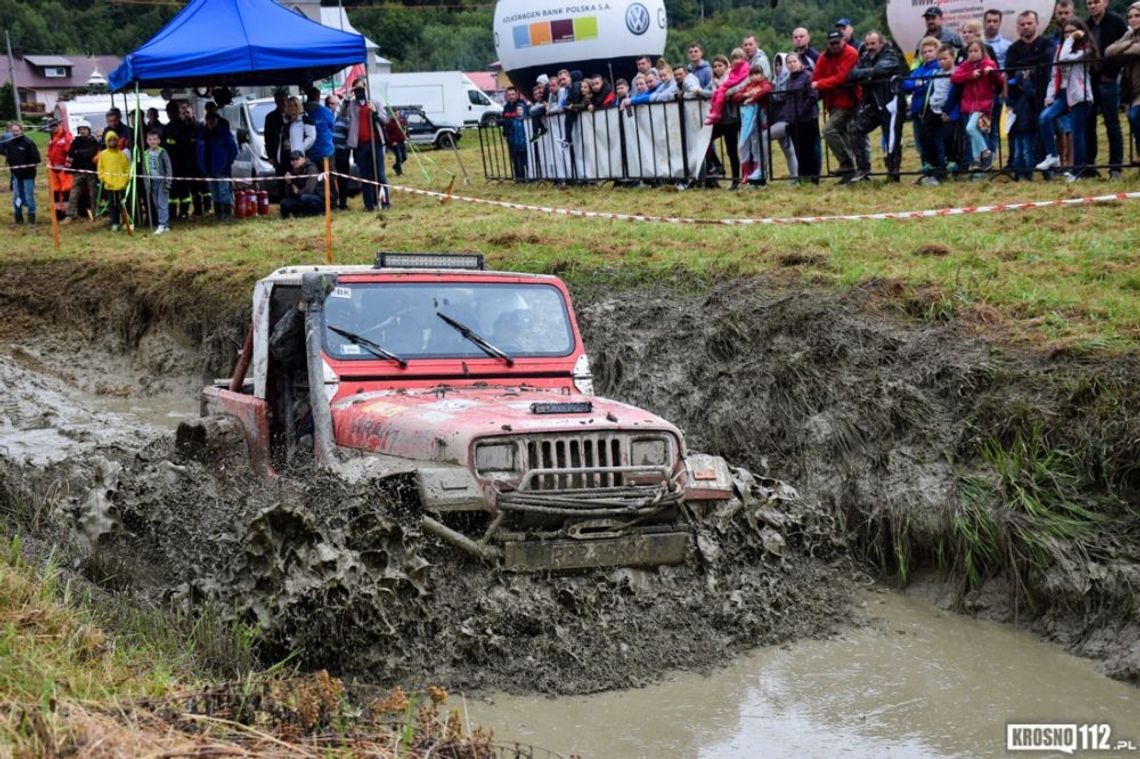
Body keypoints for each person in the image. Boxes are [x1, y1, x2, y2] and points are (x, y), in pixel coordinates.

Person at [1039, 19, 1098, 180]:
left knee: (1077, 133)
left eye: (1072, 31)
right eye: (1065, 32)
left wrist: (1071, 39)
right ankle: (1053, 155)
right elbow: (1054, 74)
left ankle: (1076, 171)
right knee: (1044, 117)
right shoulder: (1060, 48)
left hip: (1080, 95)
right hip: (1063, 93)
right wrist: (1049, 96)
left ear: (1081, 31)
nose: (1068, 35)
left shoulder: (1086, 49)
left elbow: (1065, 58)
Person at [845, 31, 905, 183]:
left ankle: (893, 173)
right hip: (872, 105)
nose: (870, 47)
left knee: (892, 139)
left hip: (891, 103)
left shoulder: (890, 54)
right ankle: (863, 170)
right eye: (867, 44)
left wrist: (866, 75)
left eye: (873, 43)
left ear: (881, 43)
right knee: (855, 128)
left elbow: (881, 69)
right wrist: (871, 74)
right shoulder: (865, 57)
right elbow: (851, 74)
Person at [1006, 10, 1053, 180]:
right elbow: (1011, 68)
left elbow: (1047, 59)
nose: (1026, 27)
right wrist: (1033, 66)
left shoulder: (1046, 43)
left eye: (1029, 23)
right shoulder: (1013, 48)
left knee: (1043, 132)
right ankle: (1023, 172)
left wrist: (1025, 67)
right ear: (1018, 26)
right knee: (1020, 136)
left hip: (1042, 95)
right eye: (1022, 24)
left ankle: (1047, 171)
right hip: (1020, 98)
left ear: (1037, 24)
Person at [1085, 0, 1128, 178]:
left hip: (1109, 81)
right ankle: (1090, 165)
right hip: (1090, 81)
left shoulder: (1117, 22)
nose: (1092, 6)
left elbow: (1125, 46)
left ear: (1105, 2)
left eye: (1096, 2)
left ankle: (1115, 167)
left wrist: (1112, 71)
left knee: (1112, 124)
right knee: (1088, 124)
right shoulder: (1086, 25)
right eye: (1089, 3)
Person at [812, 31, 860, 176]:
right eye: (832, 43)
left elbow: (841, 78)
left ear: (843, 41)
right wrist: (823, 83)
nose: (835, 46)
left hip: (849, 100)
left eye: (837, 42)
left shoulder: (850, 52)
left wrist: (821, 83)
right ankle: (849, 172)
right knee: (843, 135)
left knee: (829, 130)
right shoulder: (824, 57)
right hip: (832, 101)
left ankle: (847, 164)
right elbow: (815, 76)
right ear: (828, 44)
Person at [341, 76, 390, 211]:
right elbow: (341, 114)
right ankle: (369, 205)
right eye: (356, 88)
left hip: (376, 143)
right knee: (365, 175)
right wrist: (347, 97)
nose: (359, 91)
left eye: (361, 87)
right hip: (360, 145)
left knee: (379, 174)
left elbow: (385, 120)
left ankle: (385, 202)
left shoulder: (375, 102)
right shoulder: (351, 105)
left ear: (366, 88)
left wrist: (374, 110)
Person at [952, 41, 1002, 171]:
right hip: (969, 104)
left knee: (971, 128)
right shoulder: (965, 65)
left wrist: (992, 73)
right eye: (970, 51)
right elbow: (955, 77)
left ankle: (986, 152)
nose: (973, 54)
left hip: (983, 103)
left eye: (976, 51)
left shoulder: (989, 64)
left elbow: (999, 82)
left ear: (982, 51)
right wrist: (970, 75)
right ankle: (976, 160)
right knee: (974, 132)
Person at [1105, 1, 1140, 166]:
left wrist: (1126, 48)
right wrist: (1130, 43)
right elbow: (1109, 51)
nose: (1133, 19)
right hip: (1134, 89)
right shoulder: (1130, 35)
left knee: (1134, 116)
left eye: (1137, 16)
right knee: (1134, 119)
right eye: (1130, 17)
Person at [904, 37, 945, 177]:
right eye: (925, 51)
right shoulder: (919, 70)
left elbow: (929, 85)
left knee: (935, 140)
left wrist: (918, 84)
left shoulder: (939, 69)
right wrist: (917, 84)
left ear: (937, 51)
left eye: (930, 51)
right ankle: (927, 168)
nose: (927, 54)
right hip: (917, 110)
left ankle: (939, 170)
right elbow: (906, 84)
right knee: (920, 141)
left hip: (931, 111)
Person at [783, 52, 820, 184]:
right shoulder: (788, 80)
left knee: (809, 149)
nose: (791, 64)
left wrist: (801, 112)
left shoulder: (808, 76)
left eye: (794, 61)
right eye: (789, 62)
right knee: (799, 150)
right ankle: (803, 177)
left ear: (800, 62)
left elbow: (812, 96)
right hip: (793, 121)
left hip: (808, 119)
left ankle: (813, 178)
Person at [197, 111, 238, 219]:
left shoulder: (224, 134)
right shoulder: (202, 134)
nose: (211, 122)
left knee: (224, 192)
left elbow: (233, 150)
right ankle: (218, 213)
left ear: (217, 121)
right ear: (206, 121)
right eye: (209, 120)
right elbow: (199, 150)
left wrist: (227, 163)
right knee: (214, 192)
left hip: (222, 169)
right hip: (208, 168)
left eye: (213, 120)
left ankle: (227, 213)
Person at [64, 120, 99, 222]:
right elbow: (71, 154)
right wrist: (80, 154)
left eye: (84, 129)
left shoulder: (94, 142)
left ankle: (95, 214)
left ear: (89, 130)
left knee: (93, 193)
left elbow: (89, 154)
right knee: (74, 193)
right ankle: (70, 214)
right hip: (78, 171)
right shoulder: (75, 142)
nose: (82, 131)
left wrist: (78, 152)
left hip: (91, 172)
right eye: (80, 129)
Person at [5, 123, 40, 225]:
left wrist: (27, 167)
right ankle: (18, 217)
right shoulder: (10, 143)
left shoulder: (28, 143)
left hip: (28, 176)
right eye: (13, 131)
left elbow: (36, 159)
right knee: (17, 197)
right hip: (16, 175)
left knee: (29, 197)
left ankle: (31, 219)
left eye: (17, 131)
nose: (15, 133)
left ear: (21, 131)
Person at [304, 86, 336, 196]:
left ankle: (318, 199)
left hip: (309, 153)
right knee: (330, 178)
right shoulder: (326, 112)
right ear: (318, 97)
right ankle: (333, 201)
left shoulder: (303, 112)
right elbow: (333, 127)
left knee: (314, 179)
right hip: (326, 151)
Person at [96, 130, 130, 231]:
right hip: (110, 185)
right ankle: (114, 222)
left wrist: (125, 179)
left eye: (114, 140)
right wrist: (104, 179)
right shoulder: (103, 155)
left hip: (121, 185)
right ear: (107, 141)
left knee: (123, 205)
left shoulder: (122, 155)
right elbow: (100, 169)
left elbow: (126, 168)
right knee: (112, 205)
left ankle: (126, 222)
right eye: (110, 141)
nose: (112, 142)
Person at [142, 130, 172, 234]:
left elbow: (168, 167)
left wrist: (168, 181)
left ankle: (162, 224)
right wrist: (147, 183)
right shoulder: (145, 153)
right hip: (152, 182)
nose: (152, 141)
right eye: (150, 139)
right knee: (156, 204)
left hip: (162, 181)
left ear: (159, 141)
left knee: (162, 203)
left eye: (155, 139)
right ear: (147, 141)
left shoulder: (162, 152)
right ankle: (165, 224)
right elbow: (144, 169)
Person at [280, 150, 323, 218]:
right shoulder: (293, 171)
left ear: (303, 159)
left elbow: (309, 190)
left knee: (304, 197)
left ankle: (315, 213)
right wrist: (289, 183)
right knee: (284, 202)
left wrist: (298, 192)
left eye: (297, 159)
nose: (294, 162)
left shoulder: (311, 169)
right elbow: (289, 195)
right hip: (301, 197)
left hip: (317, 197)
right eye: (292, 160)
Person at [500, 86, 529, 180]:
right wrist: (504, 132)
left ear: (517, 95)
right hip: (511, 137)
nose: (511, 96)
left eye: (513, 94)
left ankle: (528, 176)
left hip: (521, 136)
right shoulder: (506, 107)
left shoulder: (521, 105)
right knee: (514, 158)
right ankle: (518, 177)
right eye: (509, 95)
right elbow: (504, 120)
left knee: (524, 158)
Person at [46, 119, 73, 220]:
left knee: (66, 189)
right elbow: (49, 153)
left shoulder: (66, 136)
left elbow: (70, 152)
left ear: (59, 125)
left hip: (64, 169)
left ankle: (67, 213)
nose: (53, 127)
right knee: (56, 190)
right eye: (51, 126)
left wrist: (67, 166)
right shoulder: (52, 138)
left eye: (55, 125)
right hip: (53, 169)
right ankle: (58, 213)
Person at [328, 94, 350, 210]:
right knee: (331, 178)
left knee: (343, 179)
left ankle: (343, 203)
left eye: (337, 104)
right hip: (331, 151)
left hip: (342, 151)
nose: (336, 106)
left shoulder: (344, 117)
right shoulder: (328, 116)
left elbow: (349, 132)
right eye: (334, 104)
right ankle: (333, 202)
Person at [263, 90, 288, 176]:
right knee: (281, 180)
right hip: (278, 154)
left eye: (284, 100)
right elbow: (268, 138)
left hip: (293, 154)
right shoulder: (270, 117)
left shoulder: (293, 114)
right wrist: (271, 156)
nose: (282, 103)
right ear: (276, 102)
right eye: (279, 101)